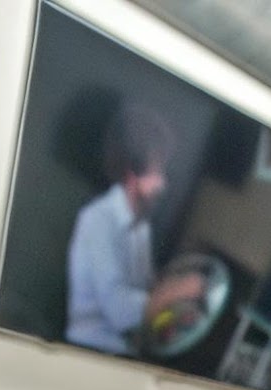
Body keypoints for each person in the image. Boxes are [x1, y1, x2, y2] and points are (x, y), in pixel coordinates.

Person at [66, 103, 203, 356]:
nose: (163, 182)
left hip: (129, 351)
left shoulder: (140, 223)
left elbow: (145, 287)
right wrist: (178, 290)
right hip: (88, 351)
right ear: (132, 176)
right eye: (157, 171)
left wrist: (171, 291)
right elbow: (119, 311)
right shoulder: (97, 220)